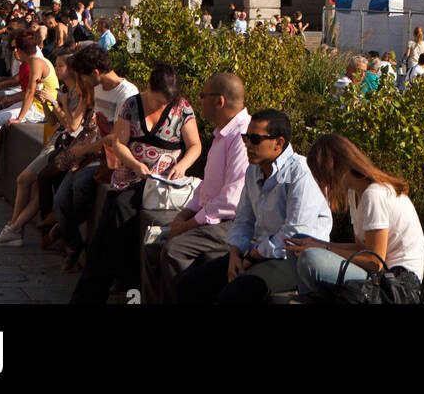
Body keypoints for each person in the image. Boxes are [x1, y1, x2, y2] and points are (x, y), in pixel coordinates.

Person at [70, 60, 201, 303]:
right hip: (131, 178)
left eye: (166, 102)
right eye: (158, 100)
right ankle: (101, 288)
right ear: (149, 87)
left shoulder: (182, 109)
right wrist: (136, 165)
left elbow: (195, 146)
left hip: (163, 183)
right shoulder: (132, 105)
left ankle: (116, 283)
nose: (161, 105)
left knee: (117, 228)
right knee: (114, 221)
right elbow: (118, 143)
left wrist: (181, 166)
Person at [176, 109, 332, 304]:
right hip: (258, 251)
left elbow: (294, 235)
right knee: (189, 284)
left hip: (294, 258)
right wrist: (235, 253)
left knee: (235, 294)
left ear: (279, 143)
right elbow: (244, 219)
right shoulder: (254, 169)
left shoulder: (300, 173)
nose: (247, 145)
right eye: (245, 138)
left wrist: (252, 256)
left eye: (255, 139)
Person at [150, 73, 251, 300]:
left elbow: (230, 201)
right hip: (215, 217)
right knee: (153, 239)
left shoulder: (243, 137)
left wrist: (186, 226)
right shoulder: (223, 134)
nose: (199, 100)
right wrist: (184, 214)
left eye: (202, 96)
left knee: (173, 250)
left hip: (234, 223)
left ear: (219, 101)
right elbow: (208, 186)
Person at [288, 134, 424, 298]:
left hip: (395, 283)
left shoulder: (374, 195)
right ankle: (310, 298)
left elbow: (375, 262)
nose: (323, 183)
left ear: (336, 167)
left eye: (322, 175)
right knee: (296, 243)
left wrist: (322, 248)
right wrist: (315, 243)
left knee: (310, 259)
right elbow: (361, 248)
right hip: (377, 274)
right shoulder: (355, 194)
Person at [0, 47, 93, 247]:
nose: (56, 68)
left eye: (60, 65)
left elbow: (72, 126)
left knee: (24, 180)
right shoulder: (65, 90)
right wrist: (46, 103)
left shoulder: (79, 94)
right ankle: (15, 228)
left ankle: (13, 227)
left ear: (72, 69)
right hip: (55, 140)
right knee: (34, 187)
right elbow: (53, 120)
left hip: (64, 145)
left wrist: (54, 102)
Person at [52, 45, 138, 272]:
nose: (81, 82)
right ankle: (72, 241)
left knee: (80, 186)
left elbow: (119, 137)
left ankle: (68, 231)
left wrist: (86, 149)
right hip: (94, 156)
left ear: (95, 73)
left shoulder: (127, 94)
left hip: (112, 160)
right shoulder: (97, 88)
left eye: (82, 77)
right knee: (60, 199)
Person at [0, 29, 59, 183]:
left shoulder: (36, 62)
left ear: (22, 50)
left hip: (41, 109)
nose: (14, 51)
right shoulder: (37, 60)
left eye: (16, 49)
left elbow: (29, 92)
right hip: (37, 104)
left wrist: (19, 118)